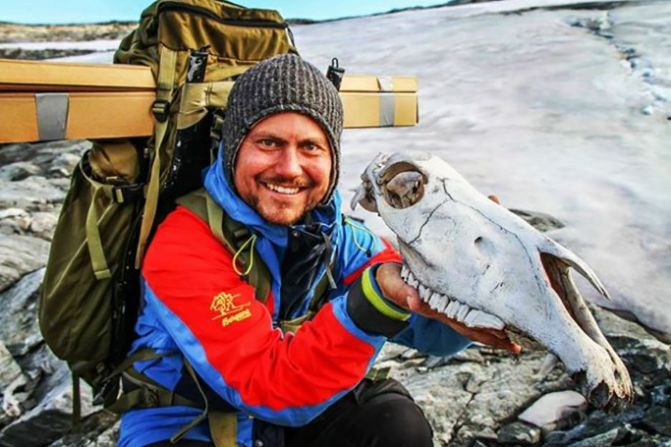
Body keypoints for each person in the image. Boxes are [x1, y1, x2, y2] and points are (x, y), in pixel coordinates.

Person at [118, 54, 516, 447]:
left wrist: (468, 279)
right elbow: (269, 386)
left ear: (333, 160)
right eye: (268, 142)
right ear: (234, 149)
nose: (290, 167)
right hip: (188, 423)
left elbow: (434, 336)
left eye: (311, 147)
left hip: (285, 421)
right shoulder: (185, 244)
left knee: (394, 424)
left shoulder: (336, 236)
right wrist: (372, 300)